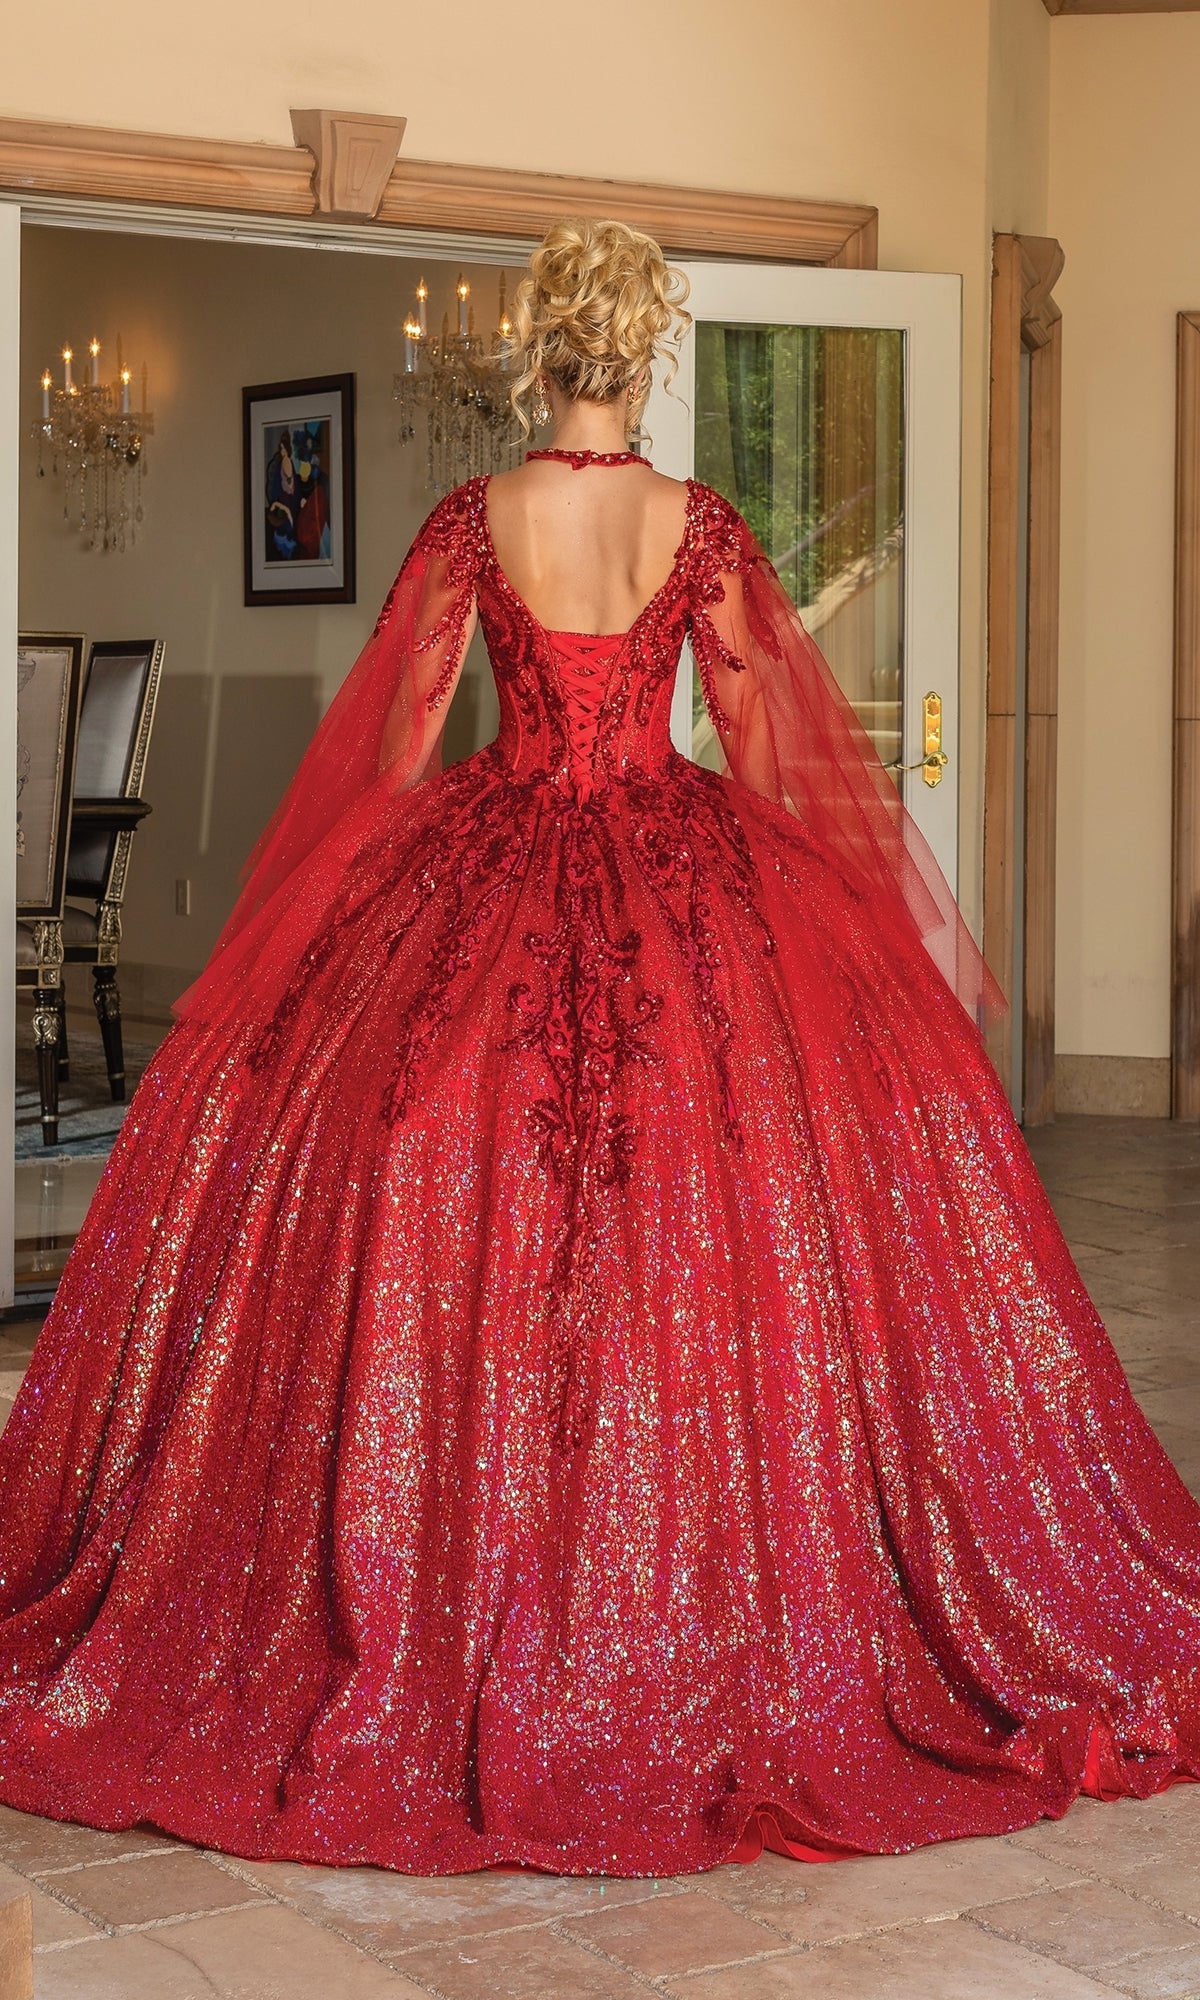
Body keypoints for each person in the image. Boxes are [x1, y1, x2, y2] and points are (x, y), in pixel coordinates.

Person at [0, 218, 1197, 1882]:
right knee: (711, 1197)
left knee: (446, 1173)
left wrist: (330, 931)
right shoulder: (698, 527)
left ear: (538, 350)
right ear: (647, 352)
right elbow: (769, 744)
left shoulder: (471, 520)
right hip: (681, 879)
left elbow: (396, 752)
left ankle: (470, 1550)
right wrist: (805, 933)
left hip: (486, 865)